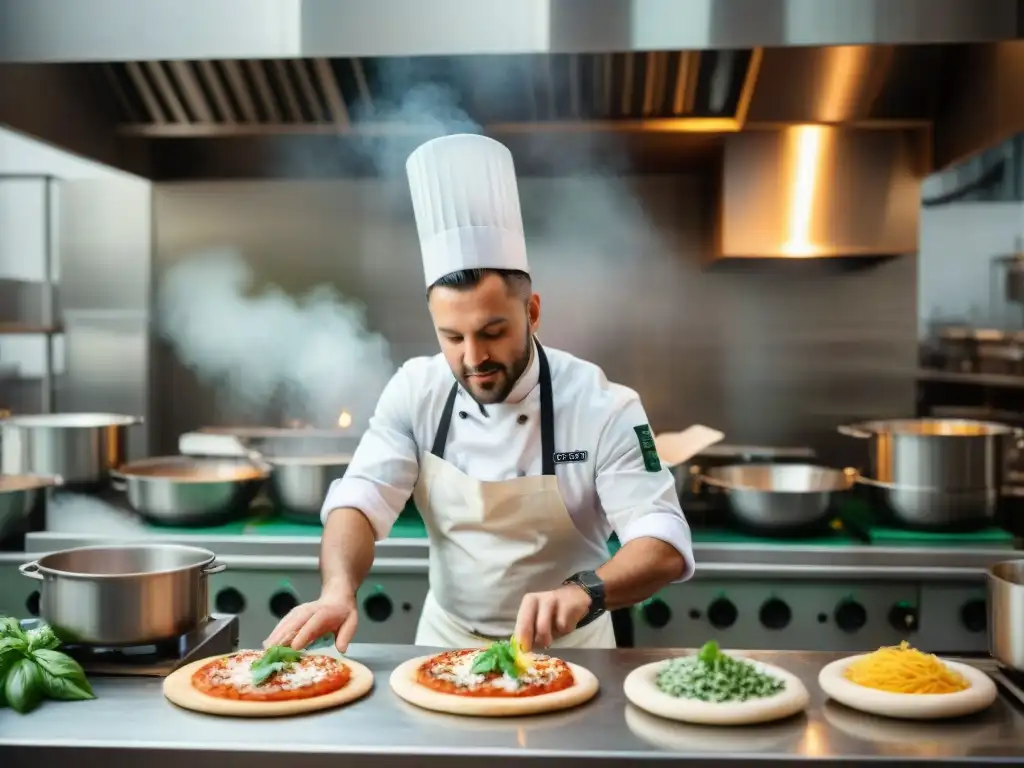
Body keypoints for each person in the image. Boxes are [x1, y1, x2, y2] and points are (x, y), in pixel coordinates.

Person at [265, 133, 694, 653]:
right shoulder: (415, 390)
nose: (473, 358)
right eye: (452, 337)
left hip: (572, 651)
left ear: (532, 311)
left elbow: (663, 540)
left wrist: (587, 591)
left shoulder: (605, 407)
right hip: (444, 646)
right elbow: (359, 500)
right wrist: (338, 588)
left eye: (493, 332)